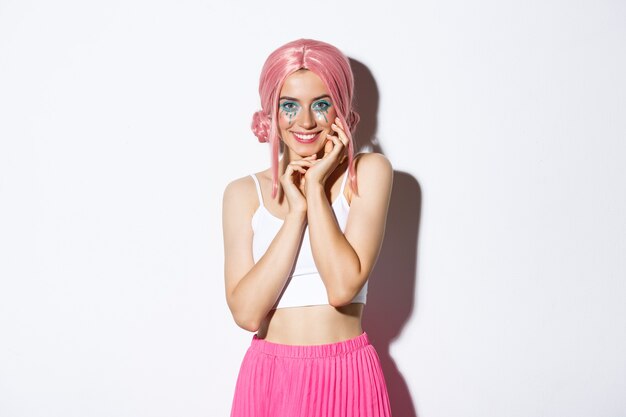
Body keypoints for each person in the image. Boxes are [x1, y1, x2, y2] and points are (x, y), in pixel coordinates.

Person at [222, 38, 393, 416]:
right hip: (269, 379)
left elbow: (342, 287)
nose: (306, 122)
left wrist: (315, 188)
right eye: (289, 106)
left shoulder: (368, 174)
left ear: (341, 107)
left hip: (347, 376)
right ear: (271, 112)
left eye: (321, 103)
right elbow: (247, 314)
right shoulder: (242, 194)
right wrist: (295, 213)